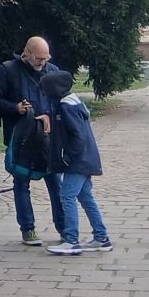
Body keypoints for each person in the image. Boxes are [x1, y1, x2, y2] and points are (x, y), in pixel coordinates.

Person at [0, 34, 65, 245]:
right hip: (20, 136)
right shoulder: (8, 70)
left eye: (46, 58)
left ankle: (64, 227)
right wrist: (16, 108)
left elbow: (61, 102)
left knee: (55, 184)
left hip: (47, 138)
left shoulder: (53, 71)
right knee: (21, 182)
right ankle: (28, 229)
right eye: (39, 58)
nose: (43, 63)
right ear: (27, 53)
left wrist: (52, 118)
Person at [40, 70, 113, 255]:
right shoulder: (74, 102)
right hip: (86, 158)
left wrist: (68, 156)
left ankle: (71, 240)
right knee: (85, 196)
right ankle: (101, 237)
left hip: (78, 161)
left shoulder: (66, 107)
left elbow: (77, 135)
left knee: (67, 195)